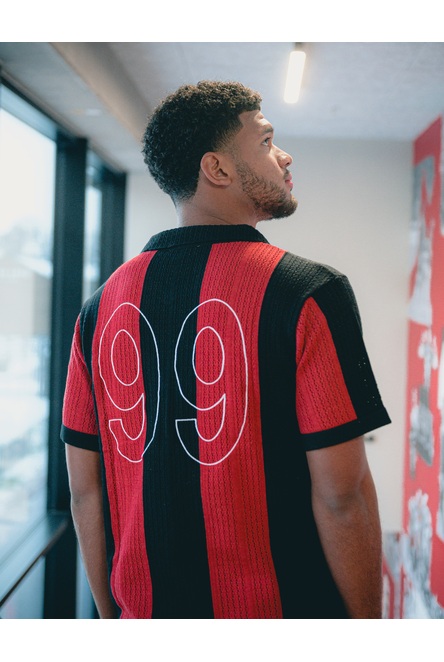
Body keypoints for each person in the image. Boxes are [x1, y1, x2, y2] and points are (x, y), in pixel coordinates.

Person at [62, 80, 391, 619]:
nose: (284, 155)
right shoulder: (309, 292)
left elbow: (85, 493)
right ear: (216, 169)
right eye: (265, 141)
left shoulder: (97, 310)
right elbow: (343, 495)